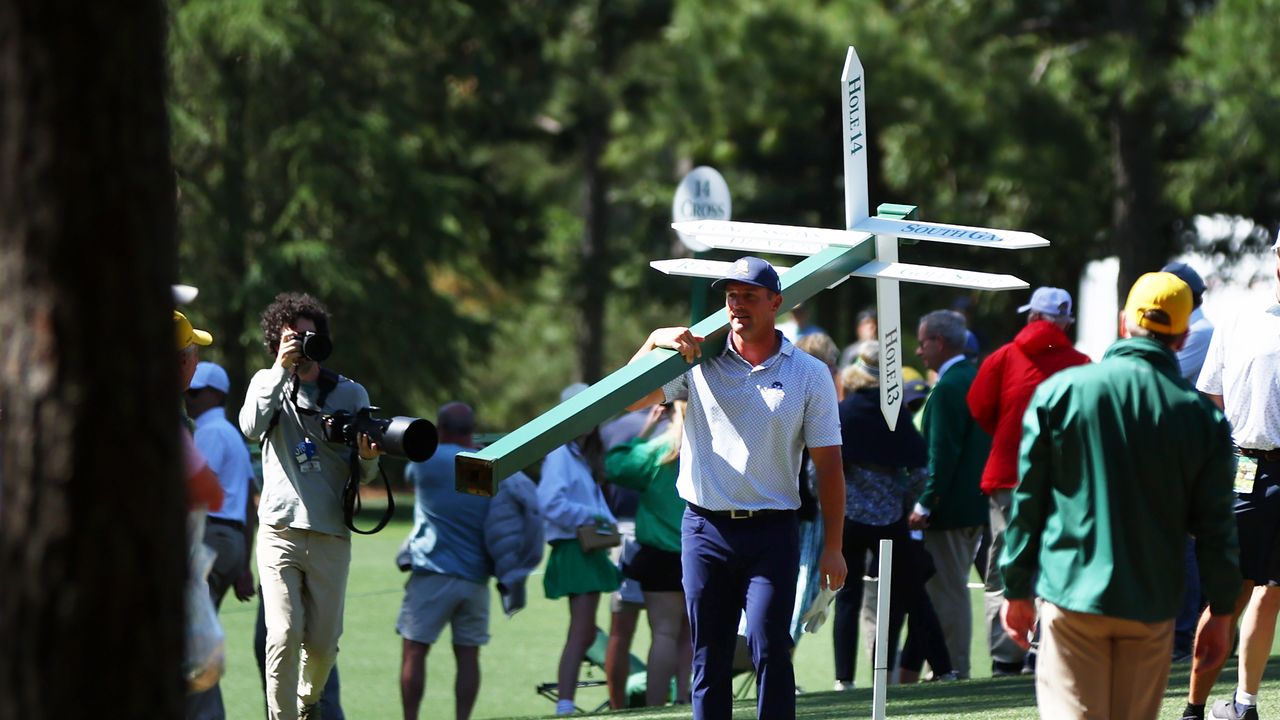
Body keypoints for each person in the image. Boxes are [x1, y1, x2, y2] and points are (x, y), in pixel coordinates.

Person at [1000, 272, 1240, 720]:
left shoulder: (1061, 393)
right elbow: (1216, 527)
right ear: (1184, 336)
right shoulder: (1201, 419)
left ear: (1123, 320)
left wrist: (1015, 587)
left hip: (1072, 594)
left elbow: (1028, 502)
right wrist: (1222, 612)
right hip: (1151, 603)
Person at [625, 255, 846, 720]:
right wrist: (652, 341)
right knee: (710, 654)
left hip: (772, 531)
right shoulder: (696, 360)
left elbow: (829, 467)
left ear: (776, 303)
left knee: (769, 645)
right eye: (731, 296)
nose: (737, 305)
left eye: (749, 296)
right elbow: (628, 399)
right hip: (704, 529)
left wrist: (834, 548)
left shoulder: (810, 373)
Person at [240, 292, 383, 720]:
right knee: (282, 633)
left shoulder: (350, 393)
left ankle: (307, 702)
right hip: (279, 530)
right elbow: (250, 427)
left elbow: (367, 475)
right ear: (275, 341)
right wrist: (278, 370)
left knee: (323, 643)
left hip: (330, 532)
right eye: (293, 336)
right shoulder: (266, 384)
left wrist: (371, 459)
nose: (303, 343)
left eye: (310, 335)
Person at [965, 287, 1089, 676]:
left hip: (1008, 474)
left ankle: (1006, 655)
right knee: (1056, 563)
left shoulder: (1003, 357)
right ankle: (1047, 648)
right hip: (1062, 480)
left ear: (1034, 318)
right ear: (1064, 321)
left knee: (1004, 562)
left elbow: (979, 408)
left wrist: (1008, 435)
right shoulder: (1082, 363)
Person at [831, 342, 953, 689]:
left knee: (848, 598)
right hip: (890, 518)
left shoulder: (844, 412)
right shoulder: (894, 413)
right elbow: (918, 473)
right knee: (914, 594)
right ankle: (944, 668)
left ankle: (844, 679)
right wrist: (906, 498)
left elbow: (823, 468)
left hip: (849, 517)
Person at [1193, 242, 1280, 720]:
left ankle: (1244, 703)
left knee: (1272, 593)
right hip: (1246, 464)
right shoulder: (1240, 318)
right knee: (1231, 593)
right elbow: (1210, 396)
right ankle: (1194, 707)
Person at [908, 309, 989, 679]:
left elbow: (941, 456)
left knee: (948, 591)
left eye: (923, 342)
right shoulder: (975, 377)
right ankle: (947, 664)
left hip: (949, 510)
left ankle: (954, 666)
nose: (920, 351)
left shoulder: (947, 388)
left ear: (939, 343)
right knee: (951, 588)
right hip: (975, 505)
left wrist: (925, 503)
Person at [398, 402, 490, 720]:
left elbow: (410, 478)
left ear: (441, 428)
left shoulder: (427, 460)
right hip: (476, 576)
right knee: (468, 655)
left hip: (432, 572)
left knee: (414, 649)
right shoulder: (484, 463)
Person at [538, 382, 621, 717]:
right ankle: (565, 704)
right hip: (575, 548)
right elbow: (550, 502)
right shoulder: (560, 453)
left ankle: (566, 703)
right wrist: (595, 516)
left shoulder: (574, 453)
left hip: (584, 548)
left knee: (584, 630)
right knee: (581, 631)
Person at [606, 402, 692, 706]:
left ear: (669, 412)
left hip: (660, 556)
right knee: (690, 634)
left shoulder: (658, 449)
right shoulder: (709, 449)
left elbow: (615, 466)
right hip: (699, 553)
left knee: (665, 634)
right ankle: (684, 699)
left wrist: (642, 433)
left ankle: (656, 706)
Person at [185, 361, 257, 719]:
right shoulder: (231, 433)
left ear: (214, 394)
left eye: (194, 392)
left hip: (209, 536)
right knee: (198, 634)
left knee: (192, 640)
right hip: (231, 540)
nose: (188, 399)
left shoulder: (209, 433)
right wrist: (244, 564)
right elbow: (248, 502)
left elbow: (199, 490)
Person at [1161, 262, 1216, 665]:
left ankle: (1182, 637)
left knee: (1183, 546)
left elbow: (1163, 377)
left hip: (1183, 452)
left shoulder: (1200, 332)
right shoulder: (1193, 329)